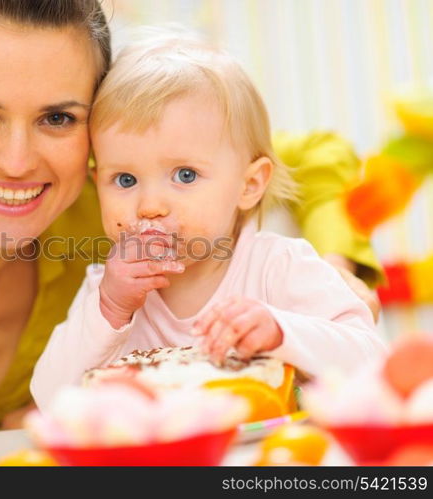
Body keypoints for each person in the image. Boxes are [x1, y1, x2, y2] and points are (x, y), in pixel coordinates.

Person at [0, 0, 380, 440]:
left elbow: (310, 157)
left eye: (58, 118)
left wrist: (335, 269)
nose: (19, 162)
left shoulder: (129, 192)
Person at [30, 29, 387, 409]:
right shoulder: (107, 290)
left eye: (185, 175)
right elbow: (49, 395)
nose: (150, 205)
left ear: (249, 185)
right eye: (125, 179)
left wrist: (282, 331)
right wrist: (111, 309)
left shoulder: (279, 267)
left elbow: (372, 361)